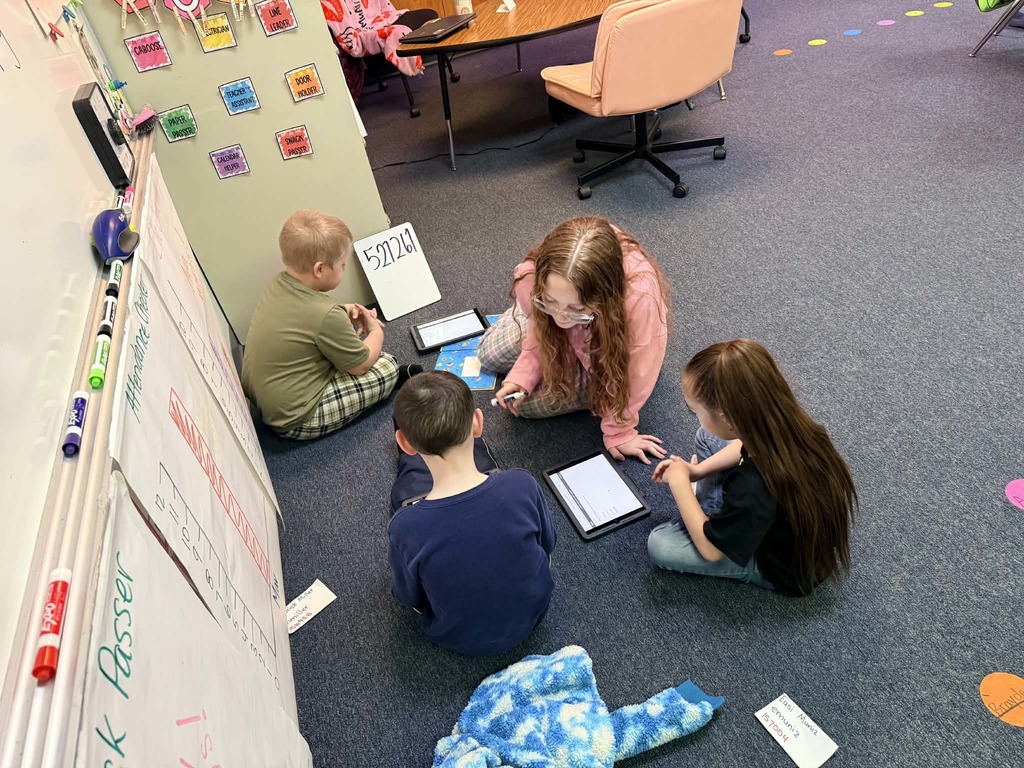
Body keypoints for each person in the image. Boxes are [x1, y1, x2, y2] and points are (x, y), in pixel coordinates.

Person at [647, 339, 856, 596]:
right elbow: (740, 446)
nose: (694, 415)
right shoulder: (789, 424)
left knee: (660, 544)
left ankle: (708, 516)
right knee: (707, 436)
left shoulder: (753, 486)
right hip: (785, 526)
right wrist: (697, 472)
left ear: (726, 417)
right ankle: (712, 515)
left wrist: (682, 486)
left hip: (781, 569)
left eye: (694, 410)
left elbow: (712, 552)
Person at [388, 371, 556, 656]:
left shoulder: (404, 526)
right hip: (534, 614)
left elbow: (407, 597)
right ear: (478, 422)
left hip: (455, 636)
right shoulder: (521, 484)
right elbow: (548, 543)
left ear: (404, 444)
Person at [478, 217, 669, 463]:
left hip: (605, 352)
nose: (559, 319)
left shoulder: (638, 302)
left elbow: (635, 375)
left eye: (574, 306)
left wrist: (619, 431)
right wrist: (523, 375)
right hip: (571, 321)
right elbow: (546, 325)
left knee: (525, 408)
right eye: (549, 300)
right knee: (487, 355)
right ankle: (537, 306)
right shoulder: (534, 277)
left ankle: (551, 307)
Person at [242, 210, 419, 440]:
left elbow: (304, 318)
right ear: (320, 269)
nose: (344, 269)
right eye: (343, 265)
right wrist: (375, 329)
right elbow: (361, 365)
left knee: (338, 349)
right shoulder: (325, 314)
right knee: (387, 365)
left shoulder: (278, 284)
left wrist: (344, 310)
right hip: (296, 418)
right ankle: (391, 377)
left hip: (270, 399)